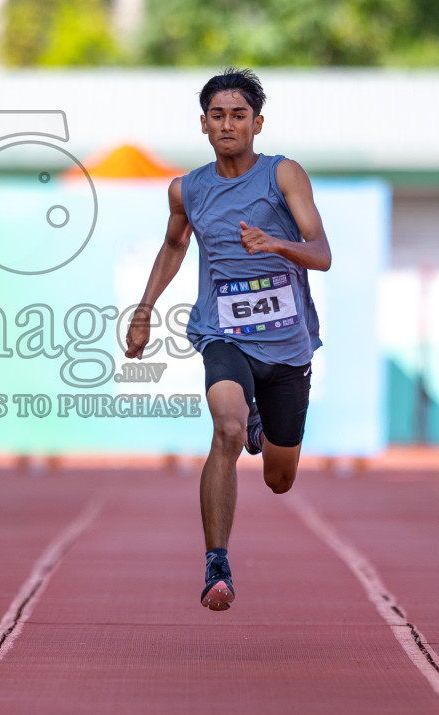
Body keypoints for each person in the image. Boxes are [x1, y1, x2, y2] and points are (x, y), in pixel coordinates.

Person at [126, 68, 332, 611]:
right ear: (203, 124)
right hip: (223, 334)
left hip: (287, 345)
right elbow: (173, 248)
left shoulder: (283, 176)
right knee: (226, 426)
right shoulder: (187, 189)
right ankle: (217, 562)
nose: (227, 124)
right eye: (217, 115)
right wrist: (144, 310)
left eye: (239, 115)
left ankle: (264, 422)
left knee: (280, 478)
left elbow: (323, 254)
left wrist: (276, 245)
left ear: (257, 123)